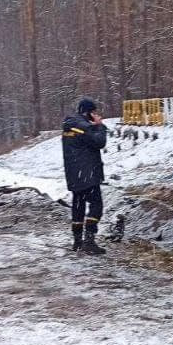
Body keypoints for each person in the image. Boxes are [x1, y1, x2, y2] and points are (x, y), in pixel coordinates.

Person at [61, 97, 108, 255]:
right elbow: (99, 142)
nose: (95, 114)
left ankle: (77, 240)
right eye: (93, 112)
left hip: (74, 174)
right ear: (87, 112)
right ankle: (89, 241)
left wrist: (92, 126)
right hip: (88, 173)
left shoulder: (70, 125)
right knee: (96, 205)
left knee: (78, 206)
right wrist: (100, 126)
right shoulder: (82, 125)